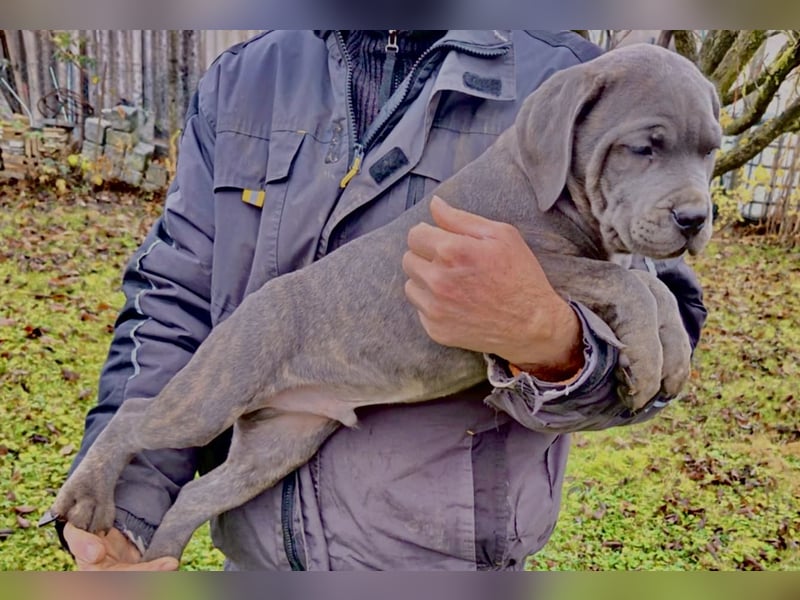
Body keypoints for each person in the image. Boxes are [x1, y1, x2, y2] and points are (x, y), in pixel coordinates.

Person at [56, 30, 706, 571]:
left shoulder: (576, 76)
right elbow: (174, 297)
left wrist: (552, 341)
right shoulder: (246, 77)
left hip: (443, 566)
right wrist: (127, 515)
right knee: (192, 426)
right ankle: (113, 471)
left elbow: (644, 354)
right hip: (289, 373)